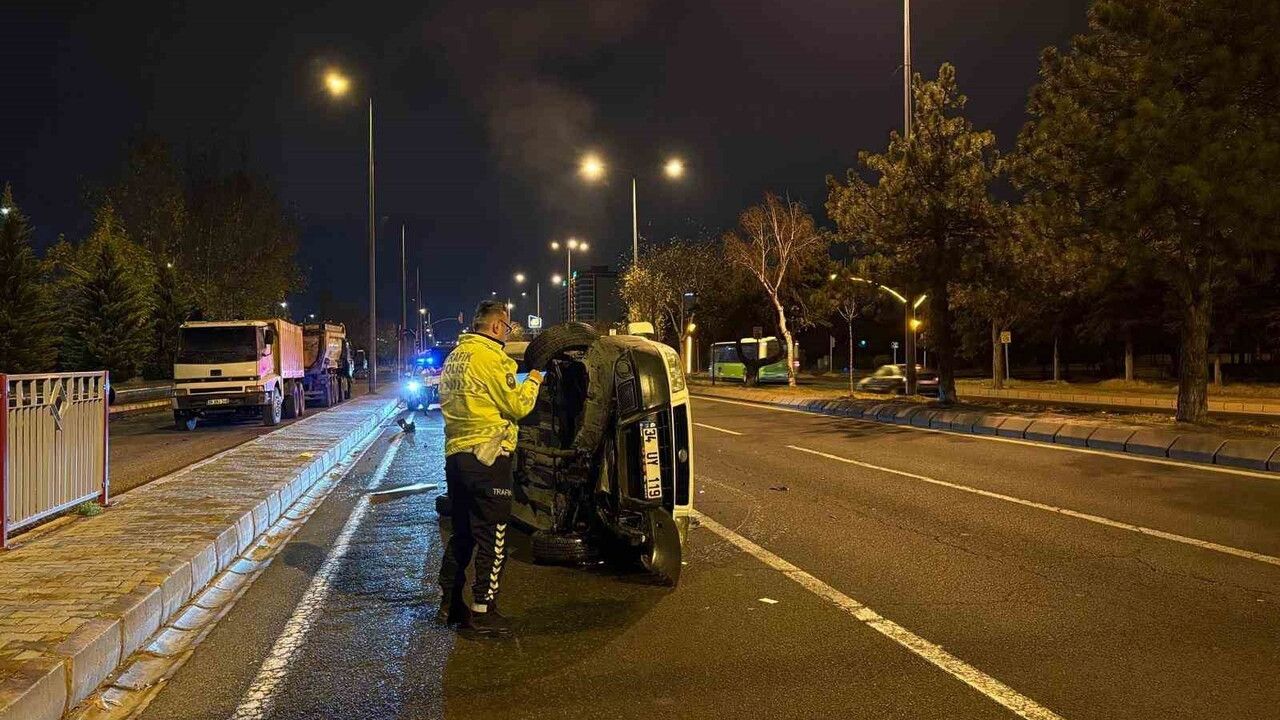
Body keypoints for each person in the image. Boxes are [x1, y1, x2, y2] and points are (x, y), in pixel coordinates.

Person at [436, 300, 543, 637]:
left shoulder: (456, 356)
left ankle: (450, 605)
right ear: (498, 326)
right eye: (508, 326)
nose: (508, 332)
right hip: (488, 456)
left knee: (463, 534)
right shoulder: (493, 358)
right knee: (494, 536)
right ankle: (484, 611)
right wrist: (535, 378)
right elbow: (518, 404)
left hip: (457, 457)